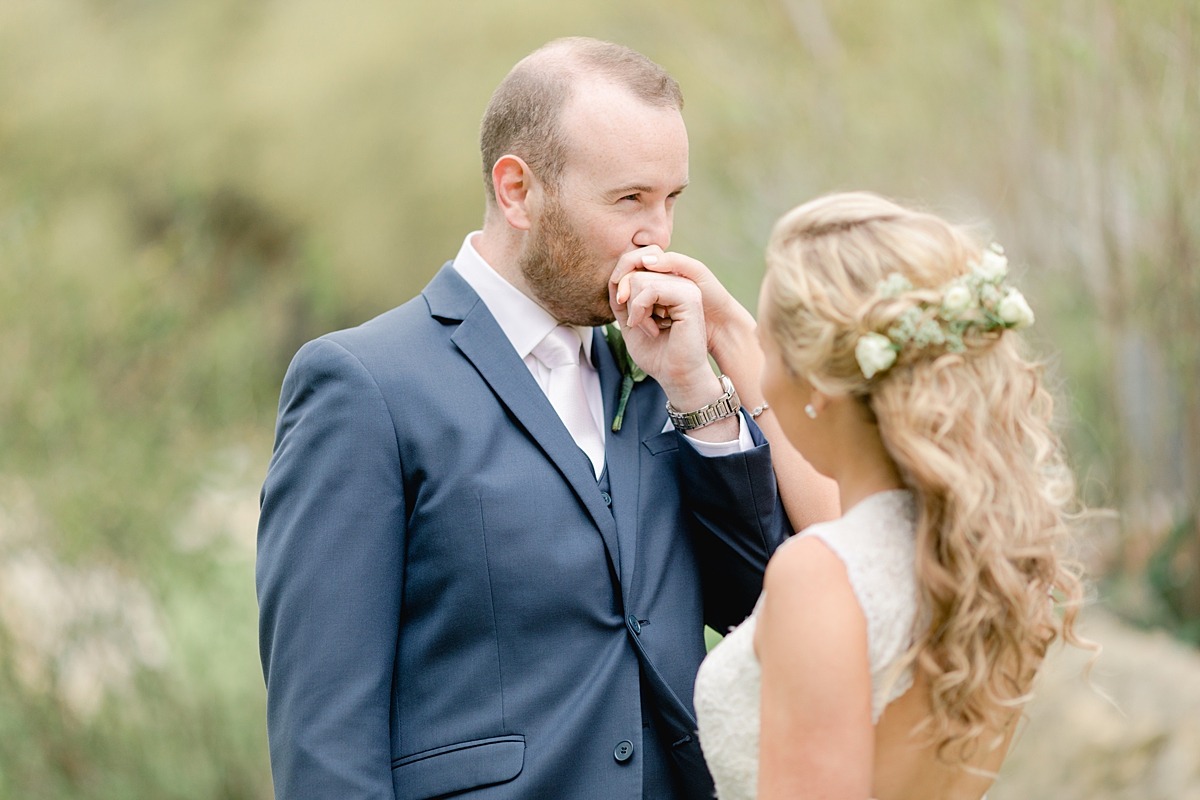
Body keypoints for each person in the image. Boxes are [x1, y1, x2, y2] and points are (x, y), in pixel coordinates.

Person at [256, 38, 834, 800]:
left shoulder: (669, 371)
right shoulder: (365, 385)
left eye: (671, 200)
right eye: (629, 199)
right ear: (518, 191)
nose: (656, 234)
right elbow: (325, 737)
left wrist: (700, 388)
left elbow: (762, 606)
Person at [624, 192, 1087, 799]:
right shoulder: (993, 562)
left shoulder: (821, 578)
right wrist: (732, 334)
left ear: (819, 383)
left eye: (774, 348)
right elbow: (846, 528)